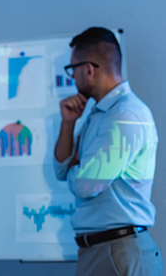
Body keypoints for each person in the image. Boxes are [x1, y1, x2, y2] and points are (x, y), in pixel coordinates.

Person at [54, 27, 163, 276]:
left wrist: (77, 167)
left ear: (89, 69)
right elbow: (61, 170)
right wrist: (68, 123)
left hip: (119, 251)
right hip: (103, 250)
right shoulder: (98, 115)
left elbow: (85, 184)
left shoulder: (125, 116)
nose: (72, 78)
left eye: (73, 69)